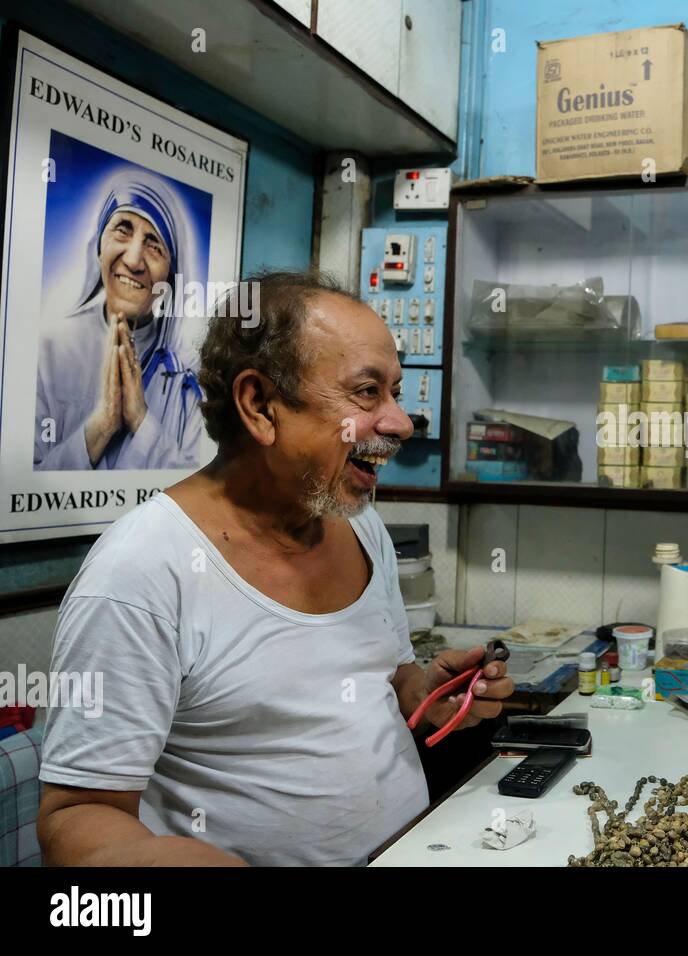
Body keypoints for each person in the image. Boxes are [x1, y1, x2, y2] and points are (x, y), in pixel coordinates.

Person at [37, 271, 514, 865]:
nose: (399, 423)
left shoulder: (359, 524)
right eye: (367, 392)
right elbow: (77, 816)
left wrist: (424, 692)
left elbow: (383, 681)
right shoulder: (140, 573)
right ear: (260, 405)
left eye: (394, 392)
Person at [34, 170, 203, 470]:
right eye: (122, 230)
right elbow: (20, 489)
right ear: (99, 246)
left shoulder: (187, 377)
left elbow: (197, 489)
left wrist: (141, 420)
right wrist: (101, 426)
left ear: (171, 276)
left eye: (154, 245)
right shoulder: (48, 349)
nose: (134, 260)